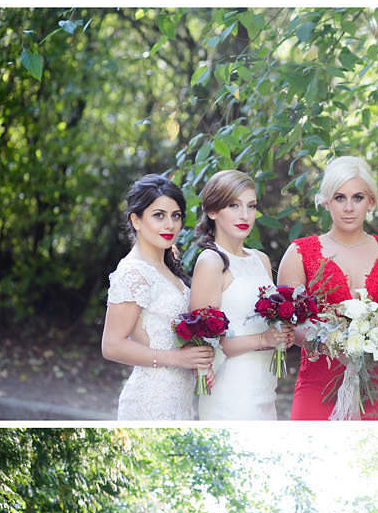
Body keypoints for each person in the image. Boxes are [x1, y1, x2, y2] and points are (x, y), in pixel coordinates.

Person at [277, 156, 378, 419]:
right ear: (326, 201)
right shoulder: (300, 253)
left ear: (371, 201)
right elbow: (291, 323)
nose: (348, 207)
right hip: (319, 381)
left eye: (358, 198)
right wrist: (331, 345)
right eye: (340, 198)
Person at [101, 175, 212, 419]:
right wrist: (177, 358)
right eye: (159, 215)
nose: (170, 225)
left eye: (176, 216)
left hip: (179, 397)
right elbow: (111, 345)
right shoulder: (133, 272)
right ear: (136, 220)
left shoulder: (167, 263)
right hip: (150, 399)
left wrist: (196, 358)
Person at [188, 170, 291, 420]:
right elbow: (204, 345)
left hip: (264, 387)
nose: (245, 215)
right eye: (234, 205)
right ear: (212, 211)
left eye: (251, 206)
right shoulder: (212, 262)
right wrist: (263, 339)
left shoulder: (261, 260)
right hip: (230, 391)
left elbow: (264, 321)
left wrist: (282, 334)